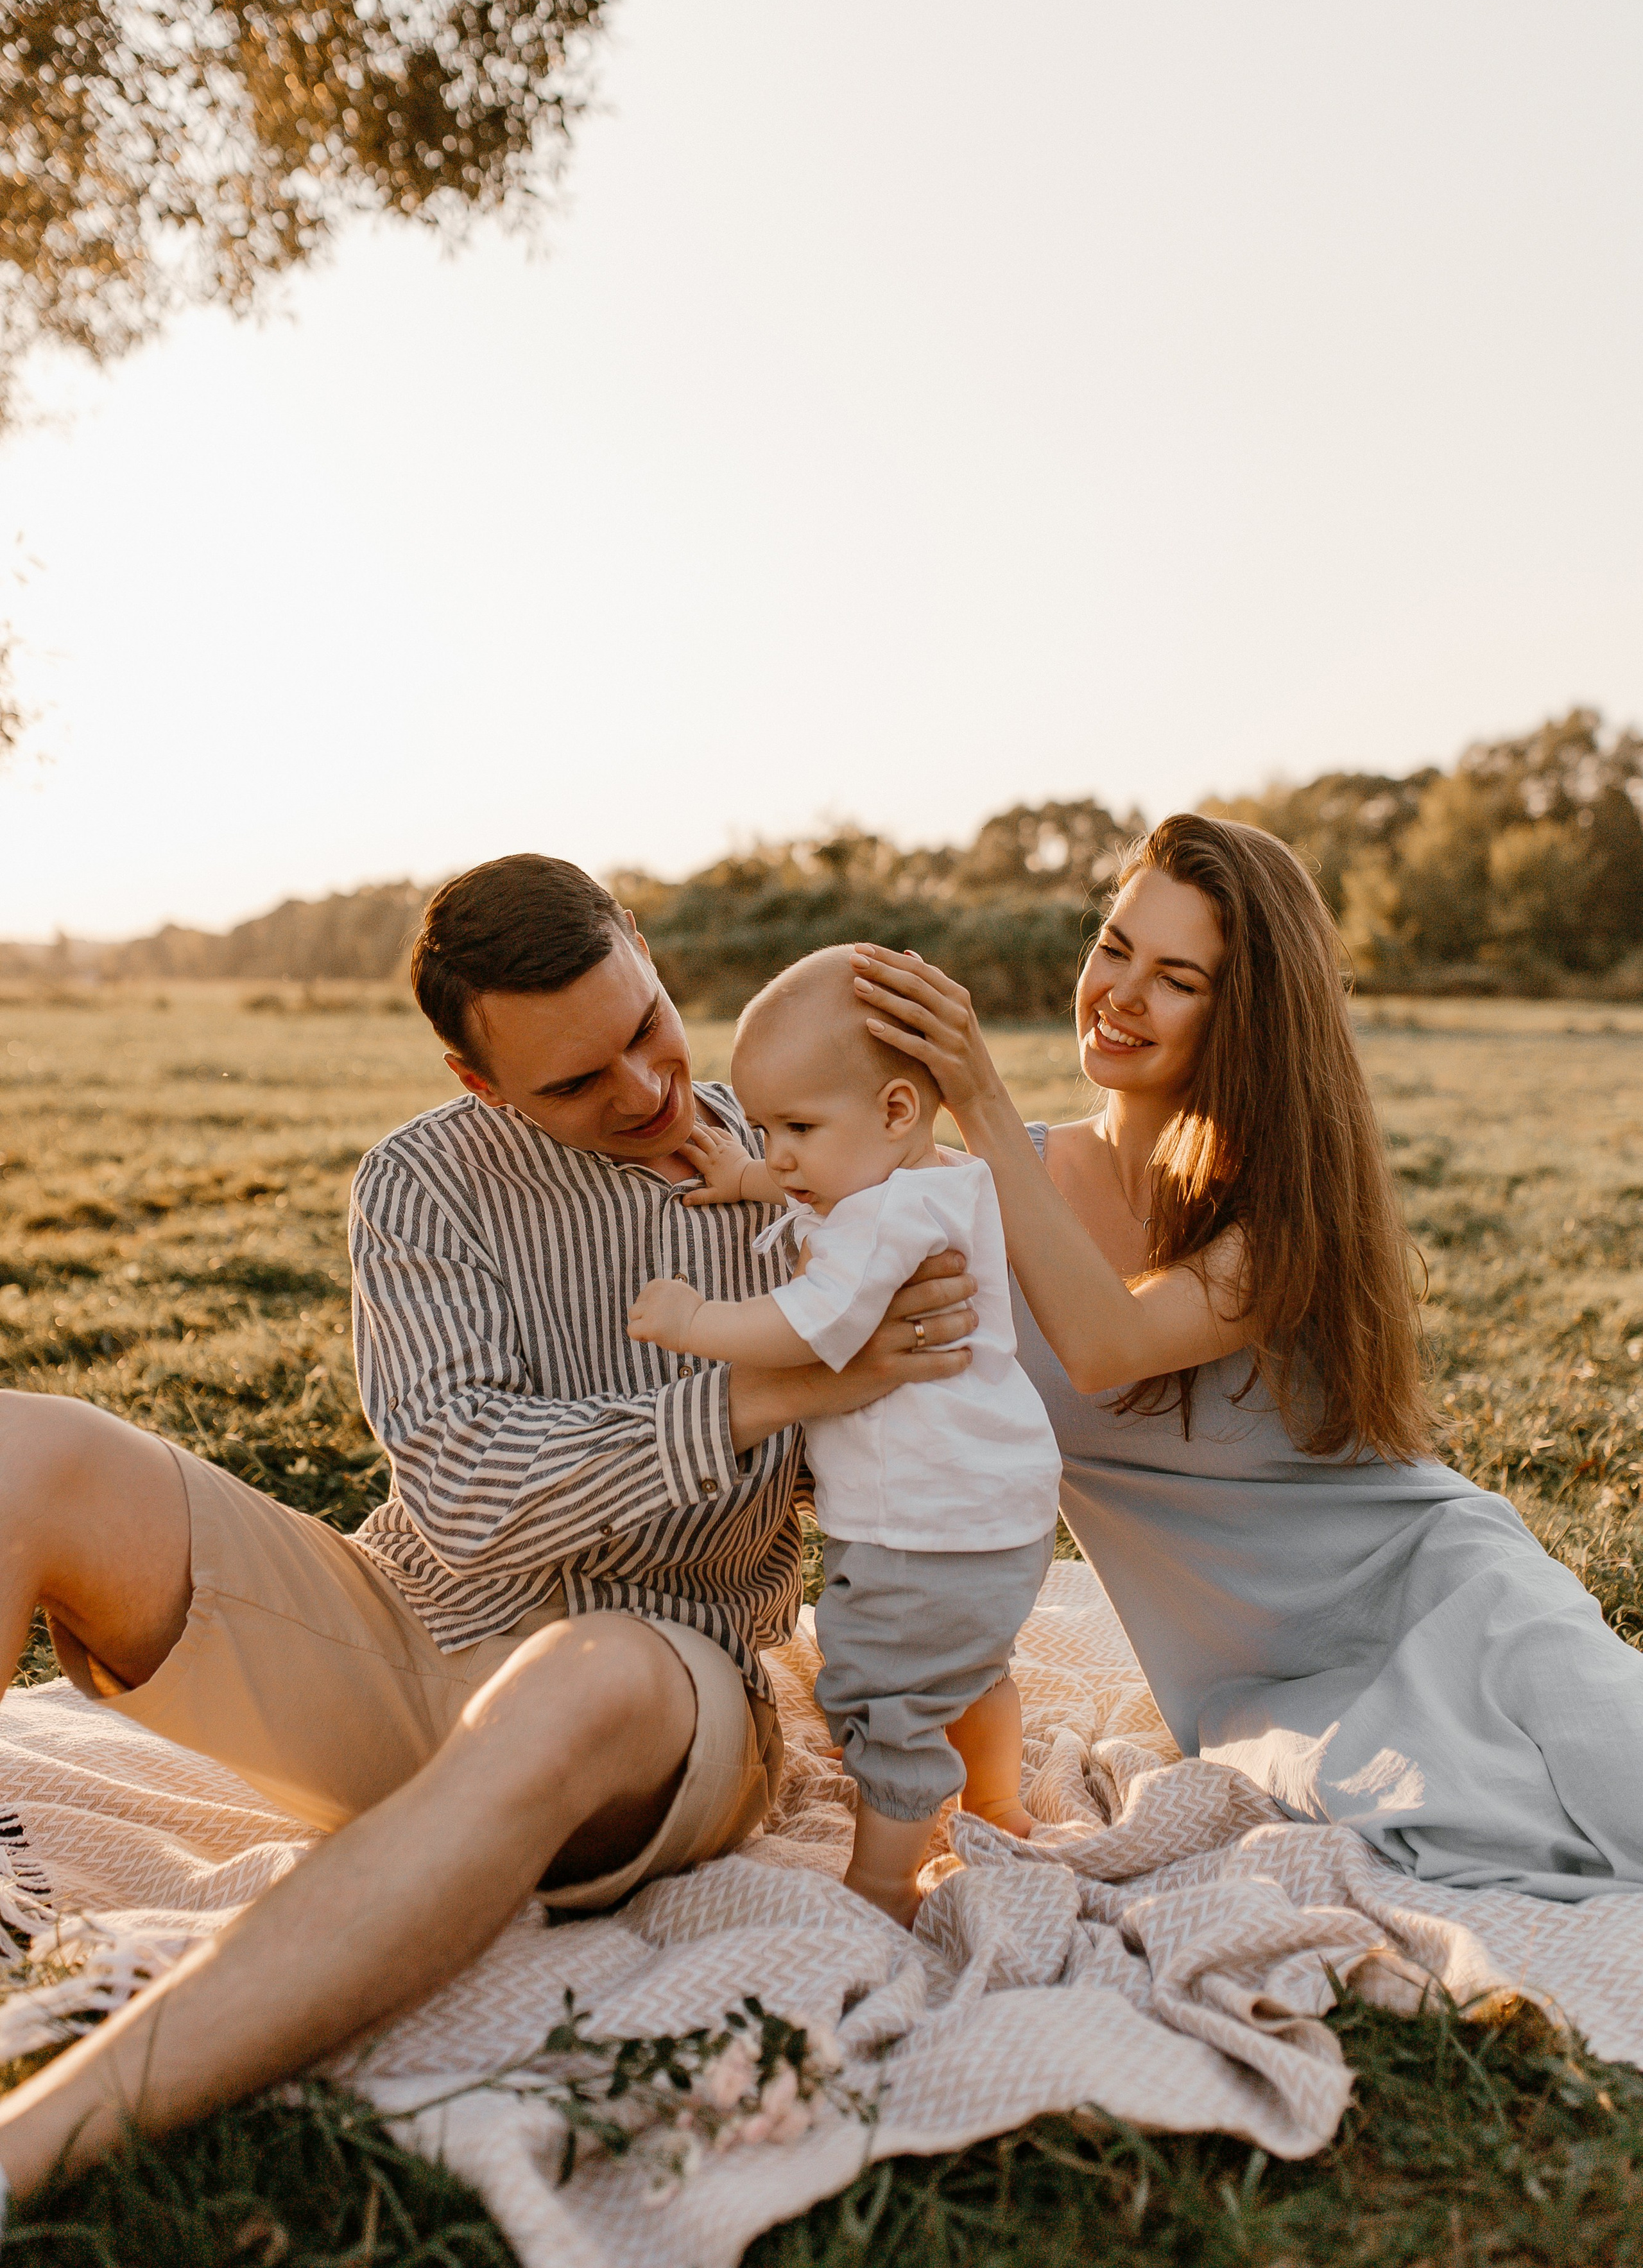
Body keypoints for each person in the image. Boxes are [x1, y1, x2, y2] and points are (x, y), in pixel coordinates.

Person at [0, 855, 978, 2208]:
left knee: (589, 1669)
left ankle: (36, 2148)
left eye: (644, 1028)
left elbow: (939, 1458)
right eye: (575, 1082)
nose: (641, 1090)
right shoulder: (422, 1181)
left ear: (640, 948)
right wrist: (765, 1391)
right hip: (402, 1632)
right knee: (23, 1448)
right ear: (480, 1084)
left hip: (656, 1683)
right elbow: (460, 1489)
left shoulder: (807, 1161)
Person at [853, 812, 1643, 1901]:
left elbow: (1105, 1346)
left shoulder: (1283, 1217)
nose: (1121, 994)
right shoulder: (993, 1190)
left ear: (1249, 1023)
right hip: (1259, 1691)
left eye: (1177, 978)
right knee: (1464, 1827)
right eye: (1115, 948)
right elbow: (798, 1170)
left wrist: (980, 1095)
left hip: (1443, 1590)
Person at [628, 948, 1061, 1923]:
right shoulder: (934, 1181)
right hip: (998, 1515)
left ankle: (883, 1879)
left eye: (797, 1128)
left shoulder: (880, 1220)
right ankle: (996, 1803)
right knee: (967, 1664)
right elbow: (828, 1195)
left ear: (898, 1111)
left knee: (882, 1692)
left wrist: (696, 1323)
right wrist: (752, 1176)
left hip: (921, 1522)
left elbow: (810, 1326)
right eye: (767, 1129)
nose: (778, 1154)